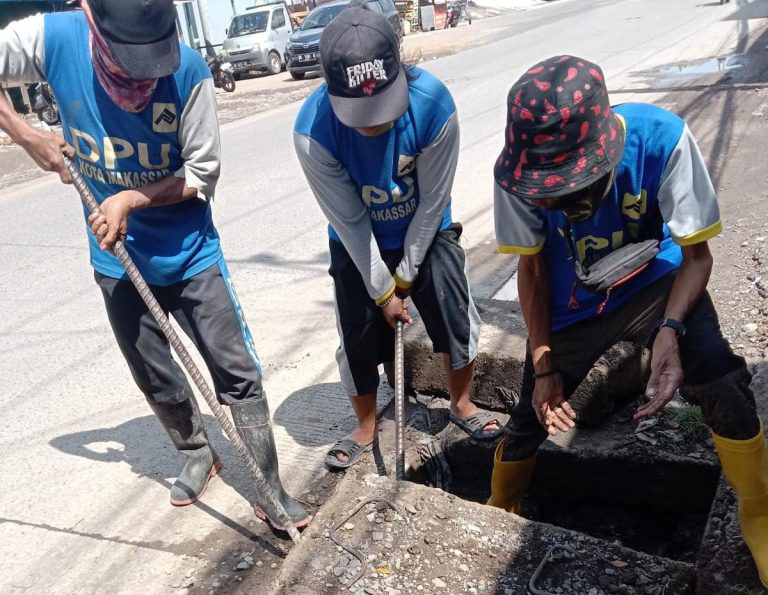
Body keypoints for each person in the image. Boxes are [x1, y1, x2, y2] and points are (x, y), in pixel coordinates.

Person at [0, 0, 308, 530]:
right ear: (94, 24)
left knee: (237, 373)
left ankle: (268, 485)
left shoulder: (189, 72)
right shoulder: (53, 38)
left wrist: (131, 200)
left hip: (190, 254)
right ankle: (196, 452)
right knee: (153, 373)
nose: (140, 79)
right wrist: (23, 134)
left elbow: (202, 173)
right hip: (115, 259)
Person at [489, 55, 766, 586]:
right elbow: (532, 272)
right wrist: (544, 362)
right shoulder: (518, 177)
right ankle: (501, 505)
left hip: (654, 284)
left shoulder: (663, 140)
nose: (563, 201)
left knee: (721, 378)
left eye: (574, 187)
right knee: (530, 412)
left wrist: (672, 331)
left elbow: (698, 257)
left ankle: (761, 513)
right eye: (552, 191)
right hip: (570, 305)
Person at [294, 6, 501, 469]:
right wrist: (384, 290)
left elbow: (432, 202)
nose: (374, 125)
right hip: (358, 239)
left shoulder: (433, 105)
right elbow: (350, 222)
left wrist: (406, 276)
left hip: (425, 225)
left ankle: (461, 403)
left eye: (383, 109)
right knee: (358, 330)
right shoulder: (313, 132)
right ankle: (367, 425)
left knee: (452, 308)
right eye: (360, 115)